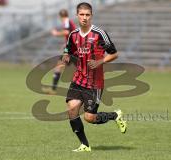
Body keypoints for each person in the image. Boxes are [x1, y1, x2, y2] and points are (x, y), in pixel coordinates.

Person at [62, 2, 127, 152]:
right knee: (72, 110)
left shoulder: (99, 34)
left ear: (91, 16)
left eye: (87, 15)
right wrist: (66, 56)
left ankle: (115, 115)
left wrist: (100, 61)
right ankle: (85, 145)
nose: (84, 18)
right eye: (82, 15)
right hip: (78, 79)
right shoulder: (73, 35)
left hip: (94, 83)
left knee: (89, 118)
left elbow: (114, 54)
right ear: (77, 15)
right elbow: (68, 49)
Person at [48, 9, 76, 93]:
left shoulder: (66, 21)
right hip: (72, 47)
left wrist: (56, 33)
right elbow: (71, 34)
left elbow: (67, 31)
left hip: (72, 49)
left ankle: (53, 89)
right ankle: (53, 89)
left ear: (60, 16)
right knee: (62, 66)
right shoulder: (69, 21)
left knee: (59, 66)